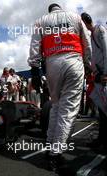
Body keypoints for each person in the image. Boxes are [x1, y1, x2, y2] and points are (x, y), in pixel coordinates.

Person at [28, 3, 92, 171]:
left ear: (50, 10)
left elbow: (34, 46)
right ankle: (55, 154)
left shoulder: (41, 21)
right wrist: (88, 63)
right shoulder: (74, 17)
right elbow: (86, 42)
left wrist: (34, 70)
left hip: (52, 64)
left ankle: (50, 146)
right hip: (73, 61)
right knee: (68, 109)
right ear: (59, 8)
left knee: (56, 107)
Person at [81, 12, 107, 152]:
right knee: (102, 112)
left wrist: (106, 73)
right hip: (98, 76)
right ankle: (101, 140)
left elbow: (106, 50)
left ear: (86, 21)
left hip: (104, 76)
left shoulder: (100, 29)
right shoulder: (91, 36)